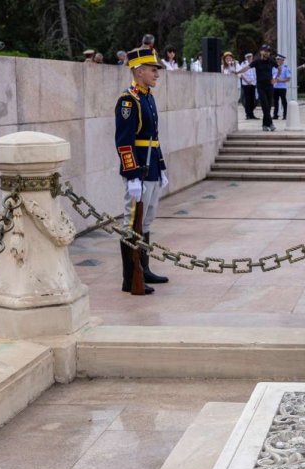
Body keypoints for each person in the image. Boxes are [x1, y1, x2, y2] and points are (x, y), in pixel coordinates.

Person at [114, 46, 170, 294]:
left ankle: (143, 269)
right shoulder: (129, 100)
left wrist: (162, 167)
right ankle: (130, 278)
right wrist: (132, 175)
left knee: (145, 221)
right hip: (139, 170)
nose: (157, 74)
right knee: (131, 223)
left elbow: (152, 138)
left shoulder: (147, 96)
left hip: (152, 168)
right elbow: (124, 142)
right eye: (152, 70)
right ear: (138, 72)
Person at [252, 45, 279, 131]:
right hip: (261, 86)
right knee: (265, 105)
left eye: (268, 51)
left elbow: (279, 68)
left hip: (269, 86)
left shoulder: (271, 61)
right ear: (261, 52)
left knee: (268, 106)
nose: (266, 52)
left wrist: (276, 78)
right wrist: (237, 72)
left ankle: (264, 125)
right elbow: (247, 67)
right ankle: (270, 123)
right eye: (265, 51)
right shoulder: (257, 61)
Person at [273, 54, 292, 121]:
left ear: (282, 60)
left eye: (278, 59)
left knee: (283, 101)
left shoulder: (286, 68)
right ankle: (275, 115)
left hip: (282, 87)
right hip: (275, 87)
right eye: (276, 59)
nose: (277, 60)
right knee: (275, 102)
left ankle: (285, 115)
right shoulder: (274, 67)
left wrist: (280, 81)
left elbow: (288, 79)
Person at [239, 53, 257, 119]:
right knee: (247, 100)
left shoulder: (254, 63)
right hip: (246, 84)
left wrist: (255, 81)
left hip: (253, 83)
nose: (249, 58)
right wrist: (246, 81)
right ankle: (248, 114)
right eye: (248, 57)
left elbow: (255, 73)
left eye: (250, 57)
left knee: (253, 100)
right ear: (246, 58)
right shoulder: (243, 64)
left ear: (252, 57)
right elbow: (241, 74)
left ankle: (252, 114)